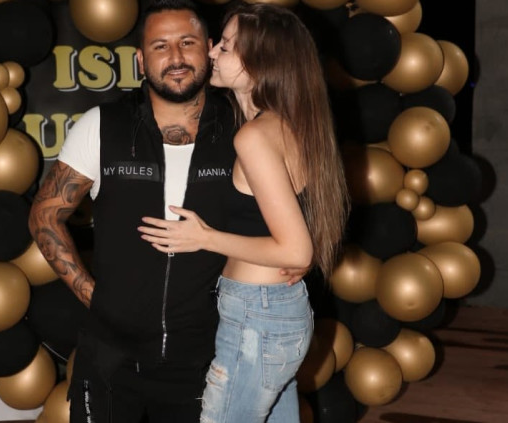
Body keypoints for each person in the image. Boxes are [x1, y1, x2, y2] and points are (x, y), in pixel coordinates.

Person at [137, 3, 350, 422]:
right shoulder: (287, 124)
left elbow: (296, 251)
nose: (213, 51)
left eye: (228, 46)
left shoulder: (255, 136)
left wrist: (203, 238)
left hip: (259, 318)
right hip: (273, 311)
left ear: (260, 62)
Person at [28, 1, 238, 421]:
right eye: (160, 46)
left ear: (210, 49)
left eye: (187, 42)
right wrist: (95, 297)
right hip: (110, 359)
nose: (176, 57)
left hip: (206, 359)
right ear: (141, 60)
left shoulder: (241, 129)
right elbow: (44, 216)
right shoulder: (102, 125)